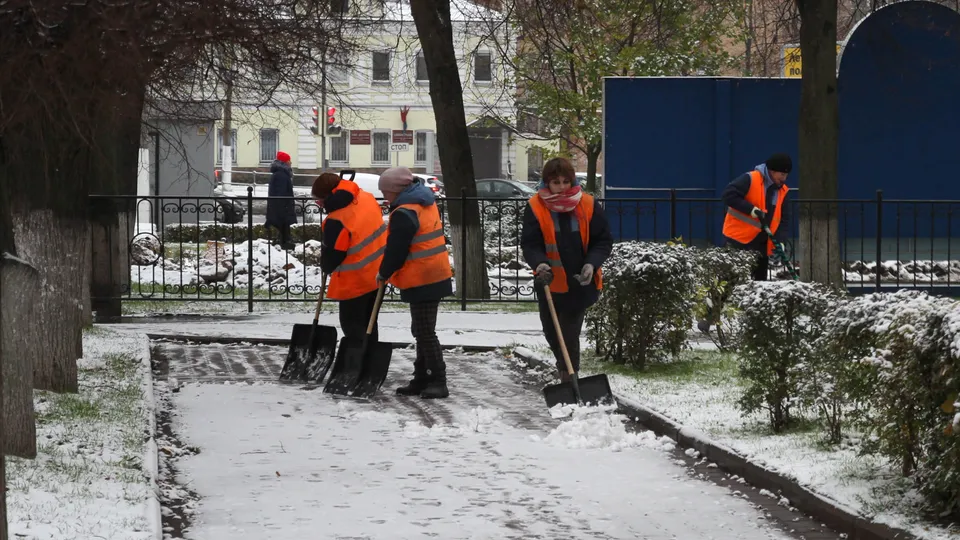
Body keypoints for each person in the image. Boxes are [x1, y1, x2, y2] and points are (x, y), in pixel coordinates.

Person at [520, 157, 613, 381]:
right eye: (555, 182)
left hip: (580, 282)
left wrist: (591, 263)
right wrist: (540, 263)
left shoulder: (589, 204)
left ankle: (569, 379)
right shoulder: (535, 206)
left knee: (568, 333)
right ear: (546, 183)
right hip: (550, 282)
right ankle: (565, 369)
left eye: (565, 182)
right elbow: (530, 243)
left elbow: (603, 240)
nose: (561, 187)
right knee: (552, 332)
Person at [376, 167, 453, 399]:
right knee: (421, 330)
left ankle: (438, 380)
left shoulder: (404, 212)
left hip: (423, 278)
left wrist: (384, 272)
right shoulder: (424, 203)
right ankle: (422, 378)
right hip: (434, 273)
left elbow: (397, 250)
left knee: (425, 332)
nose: (384, 197)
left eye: (385, 192)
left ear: (396, 190)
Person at [312, 172, 387, 340]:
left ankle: (357, 362)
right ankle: (370, 361)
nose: (319, 205)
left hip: (356, 281)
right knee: (369, 324)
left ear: (329, 196)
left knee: (352, 325)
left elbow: (333, 256)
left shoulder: (337, 220)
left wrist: (325, 264)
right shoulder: (366, 197)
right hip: (379, 273)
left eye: (319, 201)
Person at [721, 153, 792, 282]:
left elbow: (783, 220)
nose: (784, 179)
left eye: (786, 175)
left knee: (759, 282)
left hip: (762, 243)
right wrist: (751, 210)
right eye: (782, 175)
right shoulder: (751, 179)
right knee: (732, 279)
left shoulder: (783, 191)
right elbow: (728, 195)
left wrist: (780, 241)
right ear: (772, 170)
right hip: (739, 238)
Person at [266, 150, 296, 250]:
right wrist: (285, 209)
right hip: (281, 211)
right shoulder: (281, 175)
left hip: (281, 210)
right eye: (289, 160)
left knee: (283, 233)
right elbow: (281, 194)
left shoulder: (280, 174)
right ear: (285, 162)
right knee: (283, 234)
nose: (291, 162)